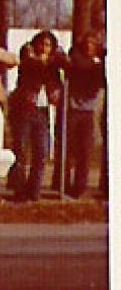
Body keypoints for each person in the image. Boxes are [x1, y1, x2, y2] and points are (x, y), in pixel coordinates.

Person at [7, 30, 68, 202]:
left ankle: (34, 190)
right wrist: (48, 61)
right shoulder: (29, 58)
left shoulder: (52, 65)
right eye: (41, 44)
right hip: (25, 109)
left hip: (42, 110)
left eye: (48, 45)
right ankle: (19, 190)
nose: (44, 48)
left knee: (41, 151)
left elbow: (64, 69)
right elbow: (35, 67)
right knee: (21, 150)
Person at [64, 33, 105, 198]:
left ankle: (80, 187)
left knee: (85, 151)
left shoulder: (98, 63)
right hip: (73, 109)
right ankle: (64, 184)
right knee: (69, 149)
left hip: (88, 111)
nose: (89, 47)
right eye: (87, 43)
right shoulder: (77, 60)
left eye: (92, 44)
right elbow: (78, 67)